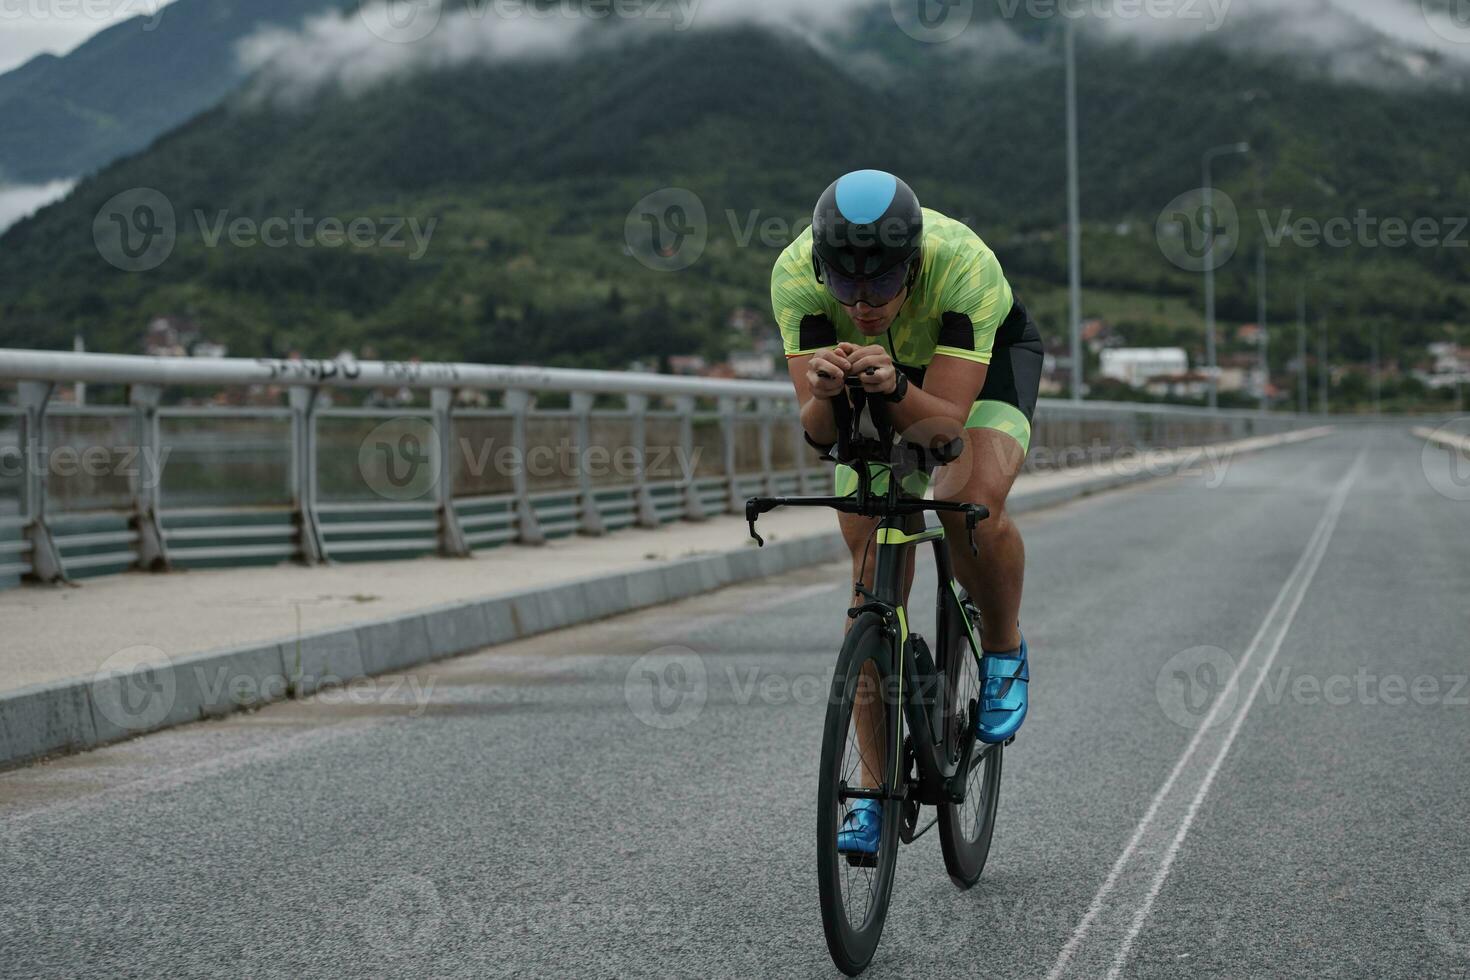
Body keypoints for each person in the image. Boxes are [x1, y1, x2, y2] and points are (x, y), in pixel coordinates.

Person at [769, 170, 1043, 856]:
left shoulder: (963, 266)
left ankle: (1005, 650)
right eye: (846, 288)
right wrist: (828, 395)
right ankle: (870, 795)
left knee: (965, 501)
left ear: (913, 267)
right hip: (874, 382)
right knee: (870, 584)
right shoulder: (795, 276)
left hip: (978, 379)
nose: (863, 306)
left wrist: (895, 384)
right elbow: (818, 436)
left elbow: (945, 432)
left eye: (884, 286)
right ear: (822, 270)